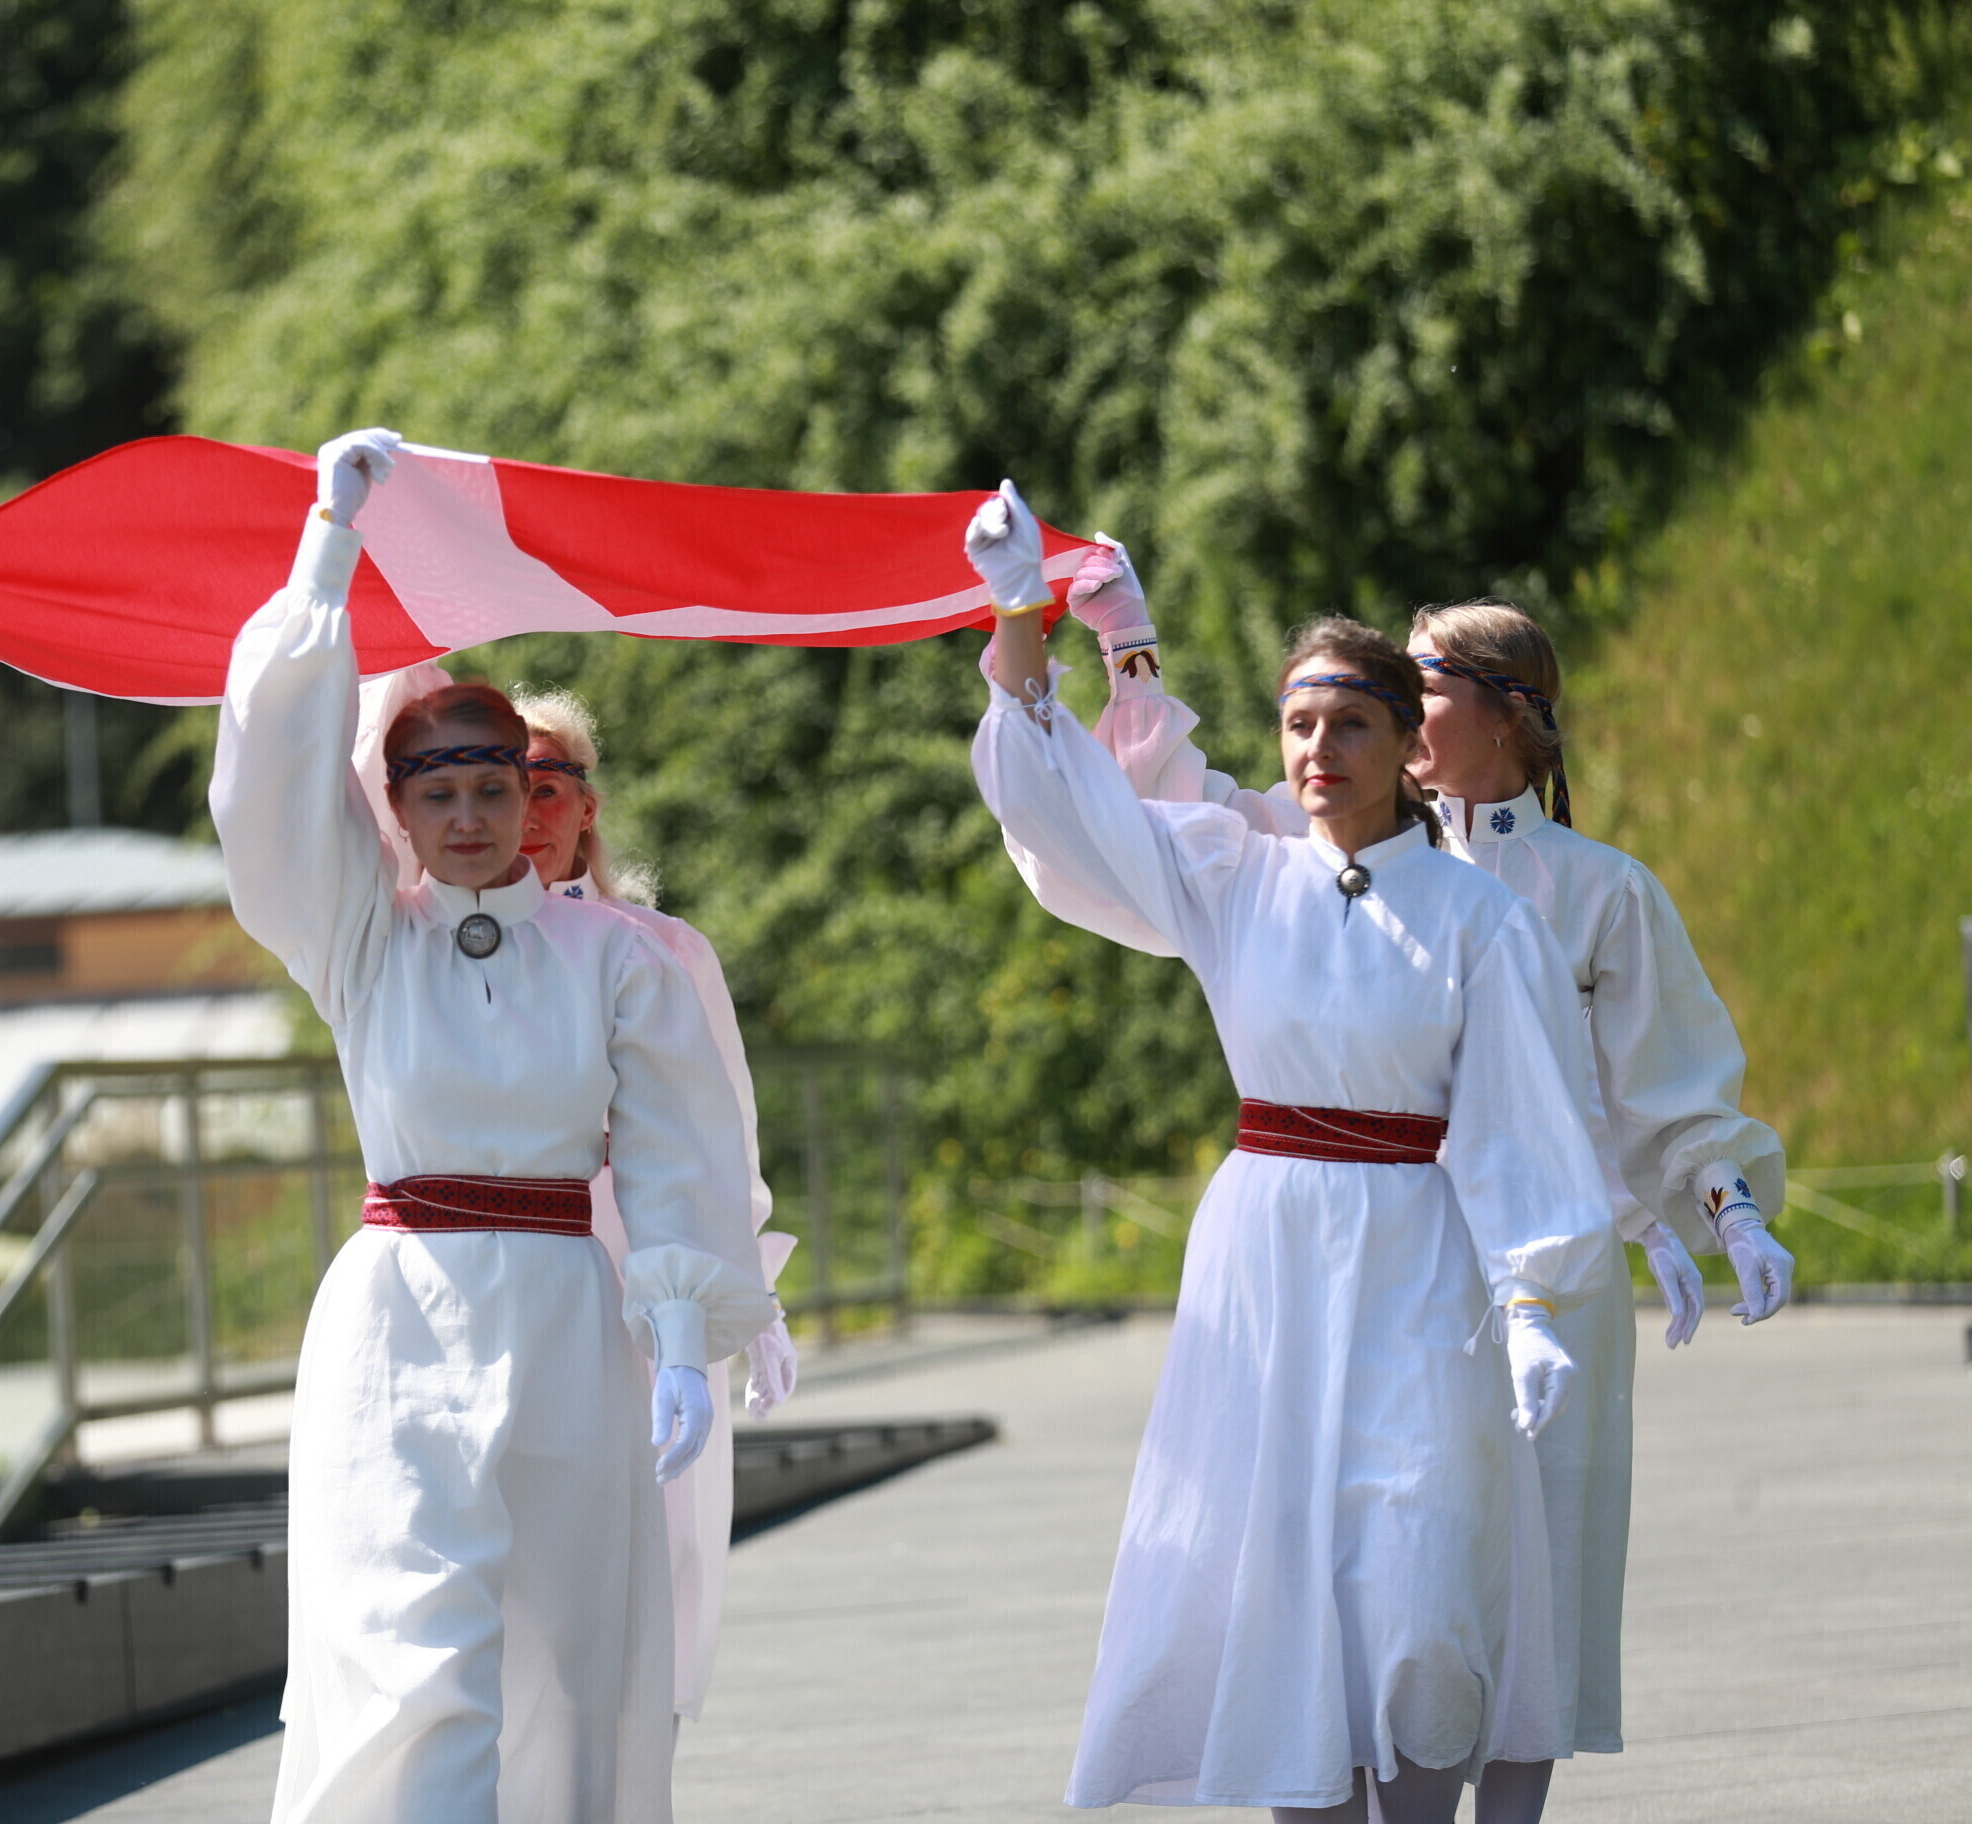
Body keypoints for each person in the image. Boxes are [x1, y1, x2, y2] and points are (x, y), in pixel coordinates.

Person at [1047, 553, 1793, 1820]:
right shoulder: (1315, 836)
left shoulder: (1599, 889)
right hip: (1373, 1267)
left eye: (1424, 677)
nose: (1380, 703)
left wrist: (1725, 1211)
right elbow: (1158, 815)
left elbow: (1663, 1086)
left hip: (1543, 1275)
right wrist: (1129, 644)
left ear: (1507, 710)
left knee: (1530, 1590)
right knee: (1370, 1582)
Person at [961, 481, 1618, 1820]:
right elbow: (1070, 809)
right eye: (1301, 724)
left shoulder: (1481, 920)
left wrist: (1534, 1299)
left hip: (1421, 1264)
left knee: (1422, 1585)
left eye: (1352, 724)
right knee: (1282, 1586)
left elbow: (1520, 1115)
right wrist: (1018, 610)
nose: (1320, 748)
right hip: (1268, 1260)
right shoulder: (1230, 871)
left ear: (1408, 746)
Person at [215, 427, 776, 1823]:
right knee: (416, 1663)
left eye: (493, 788)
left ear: (533, 800)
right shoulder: (361, 939)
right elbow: (268, 793)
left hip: (569, 1326)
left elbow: (679, 1148)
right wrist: (327, 557)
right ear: (396, 810)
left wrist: (684, 1329)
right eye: (437, 792)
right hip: (398, 1321)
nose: (468, 817)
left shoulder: (616, 959)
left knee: (569, 1664)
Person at [350, 665, 799, 1722]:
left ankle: (626, 1735)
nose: (522, 811)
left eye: (541, 785)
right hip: (482, 1276)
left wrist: (747, 1288)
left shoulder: (655, 952)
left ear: (581, 806)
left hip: (641, 1280)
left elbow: (715, 1135)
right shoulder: (406, 941)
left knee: (644, 1555)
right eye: (479, 784)